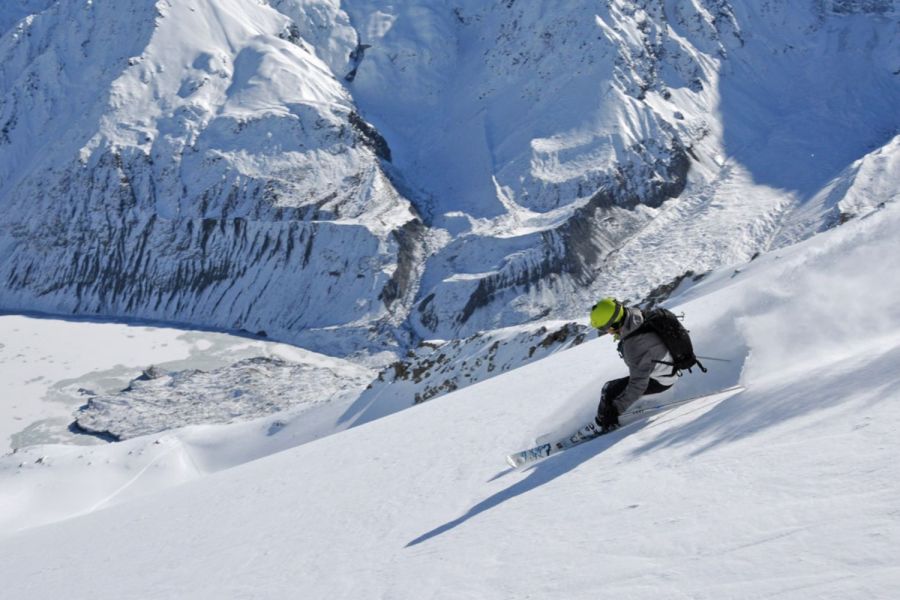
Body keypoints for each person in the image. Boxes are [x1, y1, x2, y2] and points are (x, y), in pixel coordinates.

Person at [589, 297, 678, 433]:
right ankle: (619, 410)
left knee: (609, 391)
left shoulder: (634, 345)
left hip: (661, 380)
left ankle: (604, 424)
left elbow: (638, 385)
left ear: (613, 325)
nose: (607, 331)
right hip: (669, 369)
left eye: (605, 328)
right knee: (619, 387)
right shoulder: (636, 316)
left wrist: (615, 409)